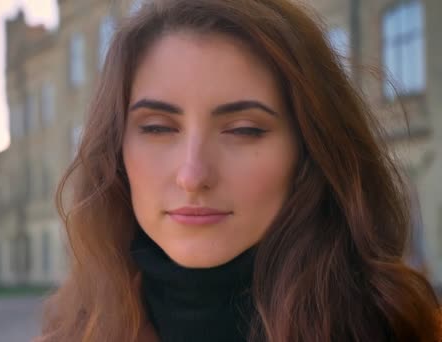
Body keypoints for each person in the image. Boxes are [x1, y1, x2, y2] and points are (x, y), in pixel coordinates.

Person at [37, 0, 440, 341]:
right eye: (158, 128)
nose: (192, 175)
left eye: (244, 130)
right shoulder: (73, 330)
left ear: (309, 151)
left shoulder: (401, 328)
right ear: (116, 149)